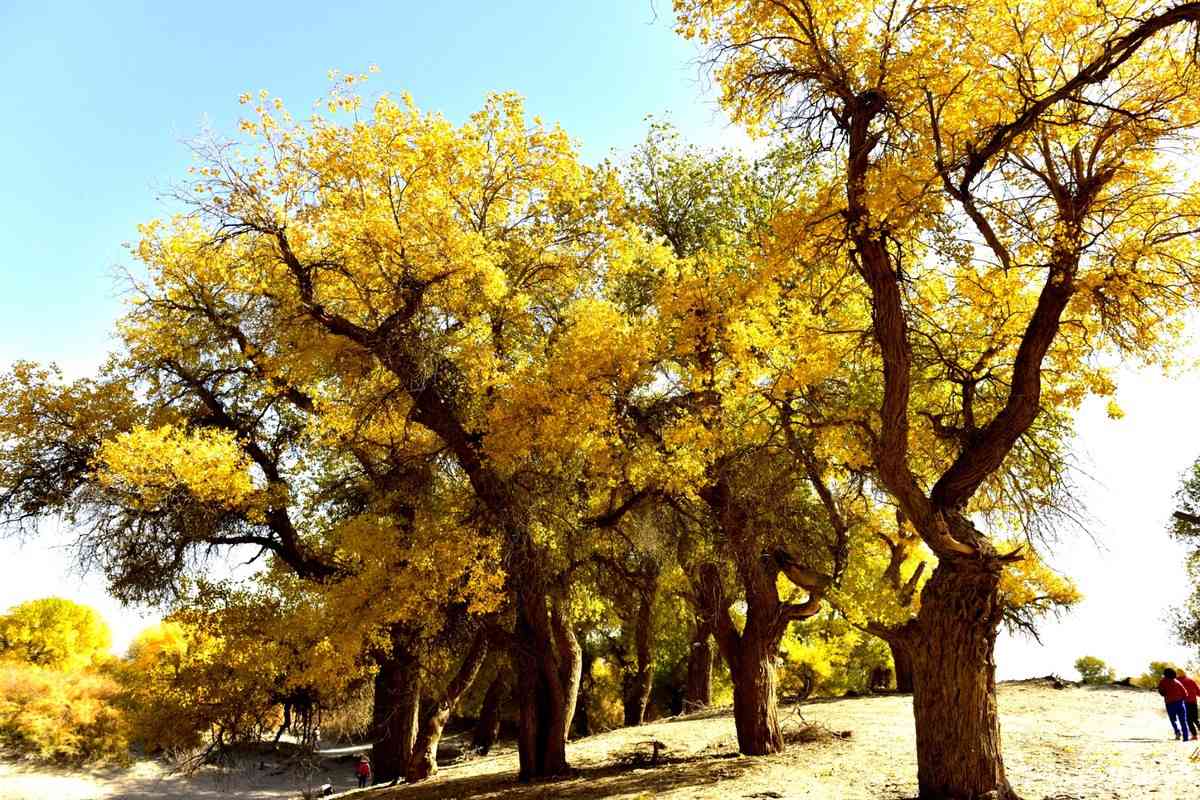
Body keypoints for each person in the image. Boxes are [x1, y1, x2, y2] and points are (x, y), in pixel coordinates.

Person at [1158, 667, 1190, 741]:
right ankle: (1186, 738)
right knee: (1183, 721)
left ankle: (1177, 732)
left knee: (1173, 720)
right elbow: (1185, 693)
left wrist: (1166, 693)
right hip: (1180, 703)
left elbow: (1161, 692)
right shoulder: (1177, 682)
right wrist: (1181, 700)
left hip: (1170, 704)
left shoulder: (1163, 681)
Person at [1179, 669, 1200, 738]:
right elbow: (1198, 691)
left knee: (1188, 720)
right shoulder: (1190, 680)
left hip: (1185, 702)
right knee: (1195, 718)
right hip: (1193, 701)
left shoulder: (1177, 681)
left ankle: (1194, 735)